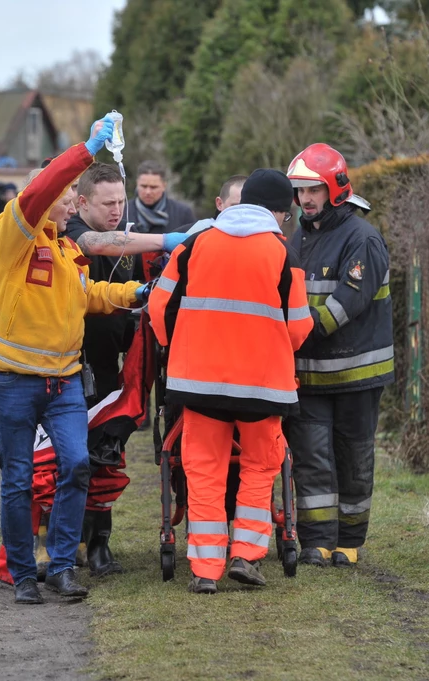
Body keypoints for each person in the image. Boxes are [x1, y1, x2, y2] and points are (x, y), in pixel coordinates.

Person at [0, 116, 144, 605]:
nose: (74, 200)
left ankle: (63, 566)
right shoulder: (13, 234)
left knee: (75, 465)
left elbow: (88, 295)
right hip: (14, 381)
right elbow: (43, 188)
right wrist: (87, 150)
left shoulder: (64, 247)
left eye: (76, 193)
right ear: (43, 196)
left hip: (63, 382)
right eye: (69, 194)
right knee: (19, 479)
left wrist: (138, 292)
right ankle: (23, 573)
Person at [149, 169, 313, 594]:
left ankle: (205, 569)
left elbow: (158, 306)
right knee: (260, 466)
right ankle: (246, 555)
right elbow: (298, 327)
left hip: (198, 383)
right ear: (281, 212)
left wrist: (176, 348)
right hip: (263, 386)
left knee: (203, 469)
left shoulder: (195, 244)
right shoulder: (283, 255)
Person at [60, 161, 187, 576]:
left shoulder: (124, 232)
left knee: (108, 453)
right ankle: (71, 540)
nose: (117, 210)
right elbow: (105, 243)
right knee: (75, 456)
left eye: (121, 201)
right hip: (73, 365)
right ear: (82, 202)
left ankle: (99, 541)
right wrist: (168, 237)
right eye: (107, 202)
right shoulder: (74, 235)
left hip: (110, 365)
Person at [284, 143, 394, 568]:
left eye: (312, 190)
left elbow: (341, 308)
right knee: (310, 461)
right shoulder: (300, 237)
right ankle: (316, 542)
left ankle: (348, 541)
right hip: (309, 377)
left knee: (352, 460)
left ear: (334, 189)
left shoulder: (362, 239)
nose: (305, 200)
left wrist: (286, 335)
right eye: (299, 191)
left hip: (355, 377)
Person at [128, 160, 196, 235]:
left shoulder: (183, 213)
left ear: (164, 186)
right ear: (137, 183)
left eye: (153, 187)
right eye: (143, 186)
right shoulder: (123, 212)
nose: (148, 192)